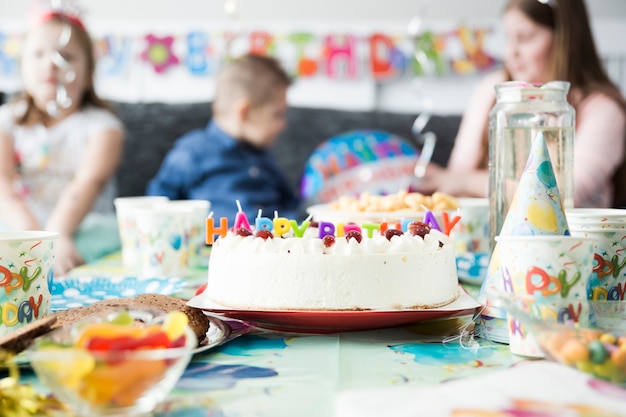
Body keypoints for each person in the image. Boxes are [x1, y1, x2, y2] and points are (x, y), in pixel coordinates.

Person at [415, 0, 626, 208]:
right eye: (508, 38)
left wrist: (465, 181)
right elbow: (454, 182)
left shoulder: (603, 108)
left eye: (525, 38)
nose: (511, 52)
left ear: (565, 39)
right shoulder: (491, 90)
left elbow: (560, 195)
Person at [0, 11, 124, 275]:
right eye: (38, 55)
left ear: (89, 72)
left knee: (109, 238)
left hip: (79, 227)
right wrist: (33, 240)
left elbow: (86, 184)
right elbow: (3, 185)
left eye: (65, 56)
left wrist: (58, 235)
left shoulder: (103, 128)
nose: (51, 64)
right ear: (22, 66)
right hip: (19, 224)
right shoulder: (7, 121)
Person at [146, 53, 300, 222]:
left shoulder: (263, 155)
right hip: (219, 243)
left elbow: (290, 203)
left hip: (274, 241)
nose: (283, 124)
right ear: (244, 112)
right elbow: (159, 202)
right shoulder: (193, 151)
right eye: (278, 115)